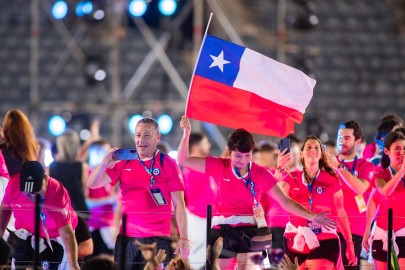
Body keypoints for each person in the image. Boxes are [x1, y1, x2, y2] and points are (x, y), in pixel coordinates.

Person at [178, 116, 336, 270]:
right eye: (238, 156)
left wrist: (312, 216)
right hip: (223, 229)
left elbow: (285, 201)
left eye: (247, 156)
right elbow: (183, 160)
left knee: (246, 264)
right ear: (230, 152)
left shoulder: (261, 173)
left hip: (251, 230)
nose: (243, 161)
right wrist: (186, 135)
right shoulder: (219, 165)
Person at [87, 117, 190, 270]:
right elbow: (93, 184)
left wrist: (184, 237)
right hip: (127, 238)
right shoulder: (124, 161)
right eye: (138, 135)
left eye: (147, 135)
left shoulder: (167, 163)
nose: (141, 139)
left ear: (158, 137)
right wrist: (104, 163)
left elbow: (179, 203)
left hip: (157, 237)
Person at [281, 134, 356, 269]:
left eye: (317, 148)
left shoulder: (331, 179)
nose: (313, 150)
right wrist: (278, 169)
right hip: (296, 238)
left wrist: (350, 243)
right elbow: (281, 200)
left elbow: (340, 212)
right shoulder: (291, 177)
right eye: (309, 147)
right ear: (302, 153)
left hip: (325, 238)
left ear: (321, 155)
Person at [0, 161, 79, 270]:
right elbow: (4, 210)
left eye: (35, 190)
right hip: (25, 233)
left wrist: (74, 265)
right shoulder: (13, 184)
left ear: (44, 179)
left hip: (55, 236)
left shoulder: (56, 191)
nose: (31, 194)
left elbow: (66, 234)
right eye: (27, 192)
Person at [326, 121, 375, 269]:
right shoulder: (327, 164)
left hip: (354, 232)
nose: (342, 141)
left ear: (358, 141)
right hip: (329, 230)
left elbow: (360, 188)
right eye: (340, 137)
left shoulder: (365, 166)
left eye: (347, 137)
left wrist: (339, 168)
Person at [363, 131, 405, 269]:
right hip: (382, 234)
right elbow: (381, 194)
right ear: (386, 151)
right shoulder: (381, 174)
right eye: (397, 149)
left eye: (404, 148)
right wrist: (367, 231)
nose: (402, 152)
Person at [183, 132, 217, 269]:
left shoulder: (206, 163)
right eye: (205, 142)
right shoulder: (191, 164)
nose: (208, 145)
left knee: (213, 257)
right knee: (196, 259)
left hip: (212, 217)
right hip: (196, 218)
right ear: (196, 146)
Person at [49, 129, 90, 219]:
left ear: (60, 146)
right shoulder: (82, 166)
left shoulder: (51, 167)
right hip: (79, 211)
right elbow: (85, 193)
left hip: (58, 212)